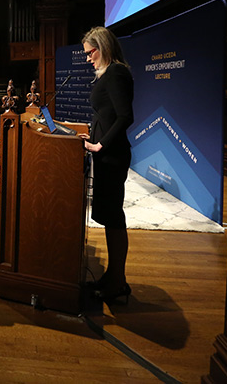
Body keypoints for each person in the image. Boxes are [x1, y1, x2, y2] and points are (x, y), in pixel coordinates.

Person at [78, 26, 134, 303]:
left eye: (91, 52)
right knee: (110, 216)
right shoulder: (108, 74)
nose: (88, 58)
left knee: (114, 217)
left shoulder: (116, 73)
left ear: (104, 47)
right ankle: (113, 278)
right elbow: (108, 115)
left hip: (112, 156)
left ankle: (117, 282)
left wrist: (100, 144)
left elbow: (125, 116)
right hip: (105, 155)